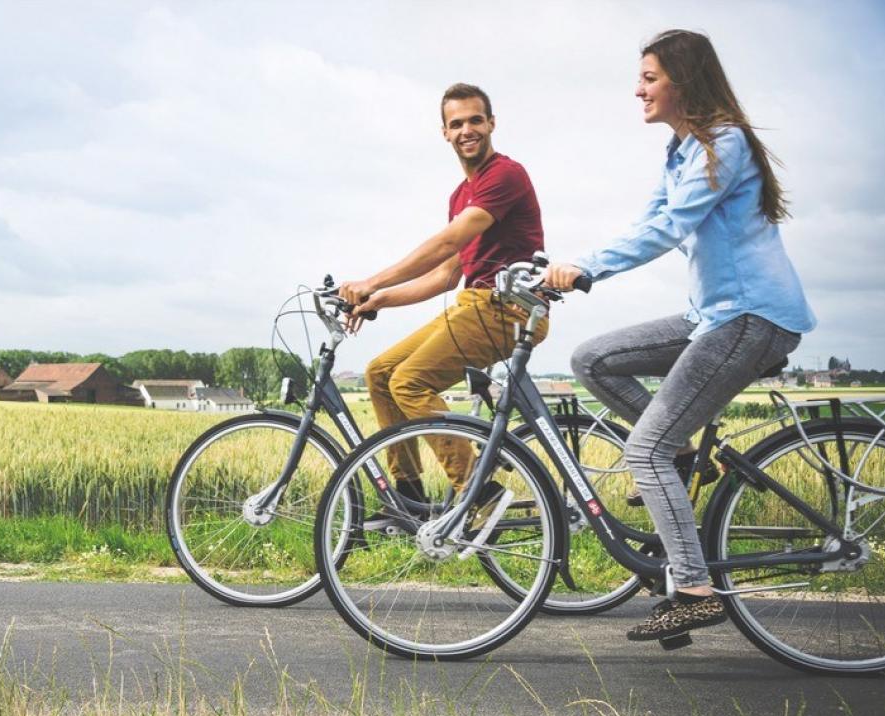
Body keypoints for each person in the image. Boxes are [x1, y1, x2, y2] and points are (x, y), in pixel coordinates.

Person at [544, 30, 816, 642]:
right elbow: (649, 219)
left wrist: (588, 269)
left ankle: (693, 589)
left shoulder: (726, 143)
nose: (638, 88)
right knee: (593, 358)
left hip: (752, 317)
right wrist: (566, 266)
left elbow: (672, 226)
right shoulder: (682, 149)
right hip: (711, 314)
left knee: (642, 449)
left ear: (682, 82)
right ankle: (683, 451)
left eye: (649, 77)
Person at [340, 83, 546, 515]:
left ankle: (478, 492)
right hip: (473, 305)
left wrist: (371, 279)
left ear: (492, 123)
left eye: (475, 120)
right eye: (457, 124)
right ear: (445, 133)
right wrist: (379, 297)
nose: (467, 130)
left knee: (410, 382)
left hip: (509, 309)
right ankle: (410, 498)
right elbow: (448, 272)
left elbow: (447, 241)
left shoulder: (505, 175)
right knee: (380, 373)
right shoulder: (460, 194)